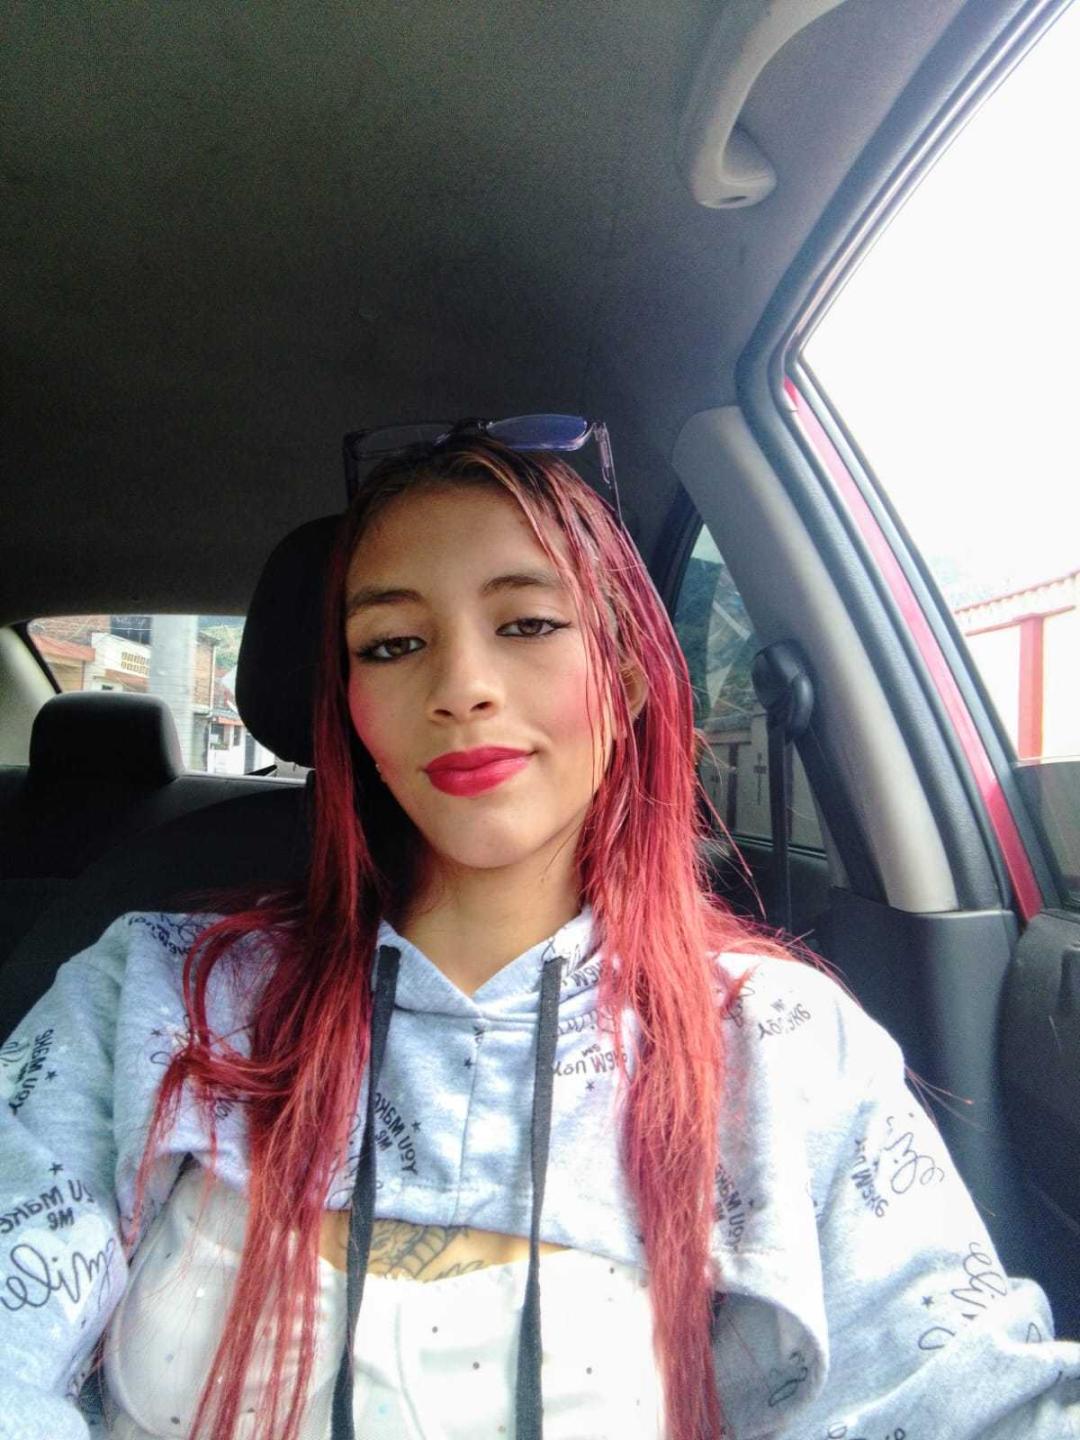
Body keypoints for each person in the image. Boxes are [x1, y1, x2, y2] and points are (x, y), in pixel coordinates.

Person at [1, 422, 1078, 1440]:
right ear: (350, 706)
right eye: (393, 643)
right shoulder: (156, 993)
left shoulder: (783, 1045)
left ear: (626, 671)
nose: (462, 687)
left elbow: (964, 1395)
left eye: (526, 624)